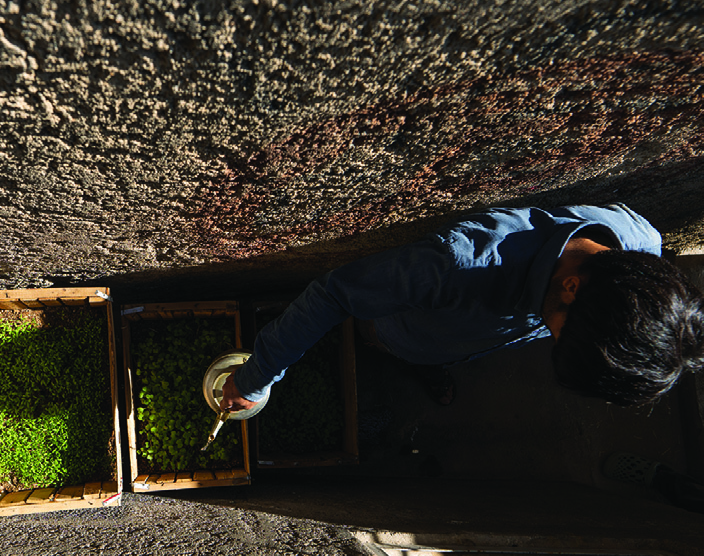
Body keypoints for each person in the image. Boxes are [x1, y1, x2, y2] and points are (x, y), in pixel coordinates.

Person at [220, 203, 704, 412]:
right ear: (572, 287)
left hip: (461, 339)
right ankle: (392, 352)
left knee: (434, 355)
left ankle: (431, 364)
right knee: (386, 342)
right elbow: (333, 295)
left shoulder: (643, 243)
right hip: (404, 327)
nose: (550, 334)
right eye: (557, 332)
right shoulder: (459, 266)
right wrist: (257, 375)